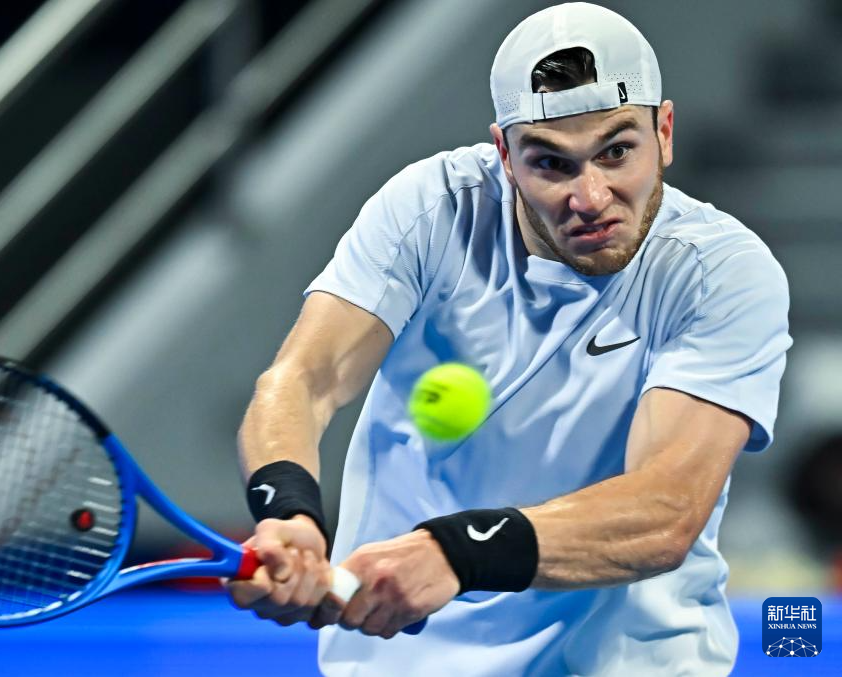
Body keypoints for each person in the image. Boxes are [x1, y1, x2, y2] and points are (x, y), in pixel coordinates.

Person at [228, 3, 792, 675]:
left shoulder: (721, 271)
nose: (591, 196)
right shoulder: (430, 209)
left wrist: (456, 552)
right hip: (404, 658)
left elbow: (665, 509)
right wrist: (288, 512)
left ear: (663, 133)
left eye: (617, 151)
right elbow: (301, 380)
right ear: (504, 155)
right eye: (551, 163)